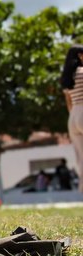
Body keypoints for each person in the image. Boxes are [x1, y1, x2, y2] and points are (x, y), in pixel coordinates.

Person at [61, 44, 83, 192]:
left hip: (73, 115)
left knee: (81, 157)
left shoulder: (67, 77)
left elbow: (68, 102)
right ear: (80, 56)